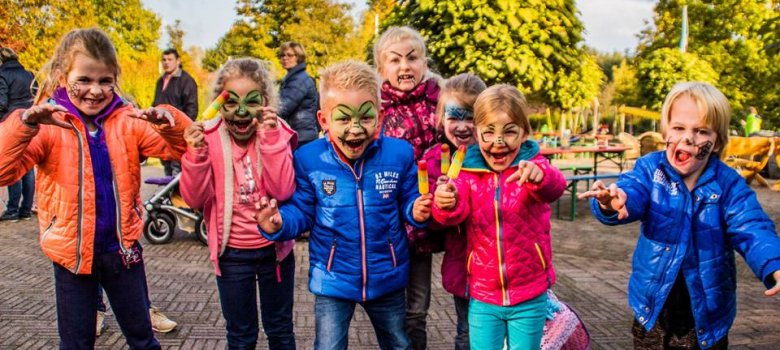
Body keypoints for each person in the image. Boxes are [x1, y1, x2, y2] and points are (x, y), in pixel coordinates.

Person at [0, 27, 191, 349]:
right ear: (62, 75)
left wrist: (170, 121)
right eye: (84, 80)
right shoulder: (47, 125)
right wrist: (25, 124)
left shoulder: (128, 121)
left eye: (105, 81)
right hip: (71, 257)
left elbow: (187, 149)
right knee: (76, 342)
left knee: (143, 338)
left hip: (123, 252)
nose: (95, 91)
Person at [579, 82, 780, 349]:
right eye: (679, 128)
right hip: (653, 309)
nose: (688, 139)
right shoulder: (651, 170)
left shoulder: (728, 184)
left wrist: (774, 263)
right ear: (665, 131)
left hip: (707, 314)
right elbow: (632, 190)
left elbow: (752, 227)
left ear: (717, 141)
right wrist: (612, 202)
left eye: (700, 131)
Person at [256, 60, 433, 350]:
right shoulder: (309, 158)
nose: (355, 129)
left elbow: (409, 199)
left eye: (365, 118)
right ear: (323, 120)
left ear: (380, 115)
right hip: (332, 279)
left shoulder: (399, 153)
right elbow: (301, 211)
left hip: (387, 276)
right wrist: (278, 223)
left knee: (399, 344)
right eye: (343, 119)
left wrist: (416, 211)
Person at [433, 84, 567, 350]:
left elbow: (556, 186)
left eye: (509, 132)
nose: (498, 142)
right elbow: (450, 214)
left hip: (530, 292)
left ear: (524, 133)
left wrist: (541, 179)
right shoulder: (466, 172)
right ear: (476, 132)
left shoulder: (534, 164)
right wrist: (444, 201)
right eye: (489, 132)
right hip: (483, 295)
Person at [180, 57, 297, 349]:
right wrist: (195, 155)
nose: (242, 112)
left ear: (266, 102)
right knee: (241, 335)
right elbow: (194, 199)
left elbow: (283, 191)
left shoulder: (276, 132)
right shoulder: (207, 138)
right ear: (219, 105)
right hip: (232, 256)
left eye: (251, 102)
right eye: (231, 102)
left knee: (280, 330)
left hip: (275, 253)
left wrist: (270, 140)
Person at [373, 25, 441, 350]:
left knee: (416, 310)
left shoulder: (439, 107)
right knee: (389, 310)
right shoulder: (374, 113)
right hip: (387, 227)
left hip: (422, 227)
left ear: (424, 63)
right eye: (395, 60)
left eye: (412, 58)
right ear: (381, 68)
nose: (404, 67)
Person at [419, 73, 486, 350]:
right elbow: (433, 226)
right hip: (465, 266)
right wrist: (437, 205)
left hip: (505, 268)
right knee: (467, 333)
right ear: (440, 119)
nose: (461, 126)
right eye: (453, 117)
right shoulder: (436, 160)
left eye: (470, 117)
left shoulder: (496, 154)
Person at [0, 47, 37, 222]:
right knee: (27, 165)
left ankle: (12, 210)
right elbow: (36, 96)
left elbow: (1, 102)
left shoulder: (3, 74)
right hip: (30, 121)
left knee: (12, 163)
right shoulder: (29, 74)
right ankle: (26, 209)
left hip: (12, 121)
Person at [153, 48, 198, 176]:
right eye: (164, 60)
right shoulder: (160, 81)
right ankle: (168, 195)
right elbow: (156, 103)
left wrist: (183, 131)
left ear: (178, 61)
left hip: (179, 135)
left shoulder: (186, 81)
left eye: (170, 59)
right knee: (166, 168)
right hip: (162, 133)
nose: (166, 62)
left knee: (177, 171)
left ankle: (178, 195)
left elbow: (192, 108)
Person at [278, 41, 319, 148]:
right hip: (302, 135)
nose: (285, 58)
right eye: (282, 55)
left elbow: (282, 108)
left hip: (301, 138)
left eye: (289, 55)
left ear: (299, 57)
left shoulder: (298, 80)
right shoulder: (293, 77)